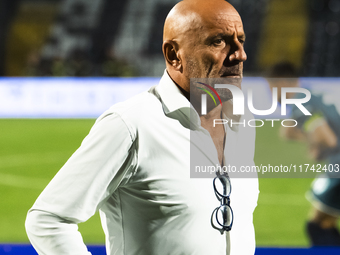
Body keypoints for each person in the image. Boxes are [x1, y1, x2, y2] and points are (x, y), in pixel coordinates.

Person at [25, 1, 259, 254]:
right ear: (173, 55)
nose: (240, 54)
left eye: (241, 40)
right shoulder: (130, 124)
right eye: (219, 41)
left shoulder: (242, 122)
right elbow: (48, 219)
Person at [267, 62, 340, 246]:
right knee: (324, 223)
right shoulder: (313, 95)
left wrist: (314, 147)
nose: (272, 95)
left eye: (272, 88)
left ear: (282, 83)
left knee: (318, 225)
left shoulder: (301, 99)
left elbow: (326, 137)